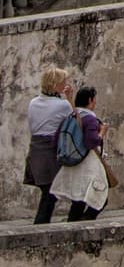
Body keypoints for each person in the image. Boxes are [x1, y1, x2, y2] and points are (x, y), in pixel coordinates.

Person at [50, 85, 110, 222]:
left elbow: (56, 140)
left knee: (78, 200)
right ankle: (84, 223)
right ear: (90, 100)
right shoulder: (90, 119)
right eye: (94, 99)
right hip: (88, 165)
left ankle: (72, 227)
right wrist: (102, 132)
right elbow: (92, 142)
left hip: (72, 165)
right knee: (101, 197)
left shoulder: (70, 117)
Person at [22, 66, 73, 225]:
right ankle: (40, 228)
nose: (66, 84)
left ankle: (42, 226)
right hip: (50, 150)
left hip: (36, 149)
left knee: (48, 192)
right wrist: (70, 99)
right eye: (63, 81)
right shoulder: (63, 105)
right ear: (55, 84)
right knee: (51, 194)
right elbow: (77, 120)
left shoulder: (33, 103)